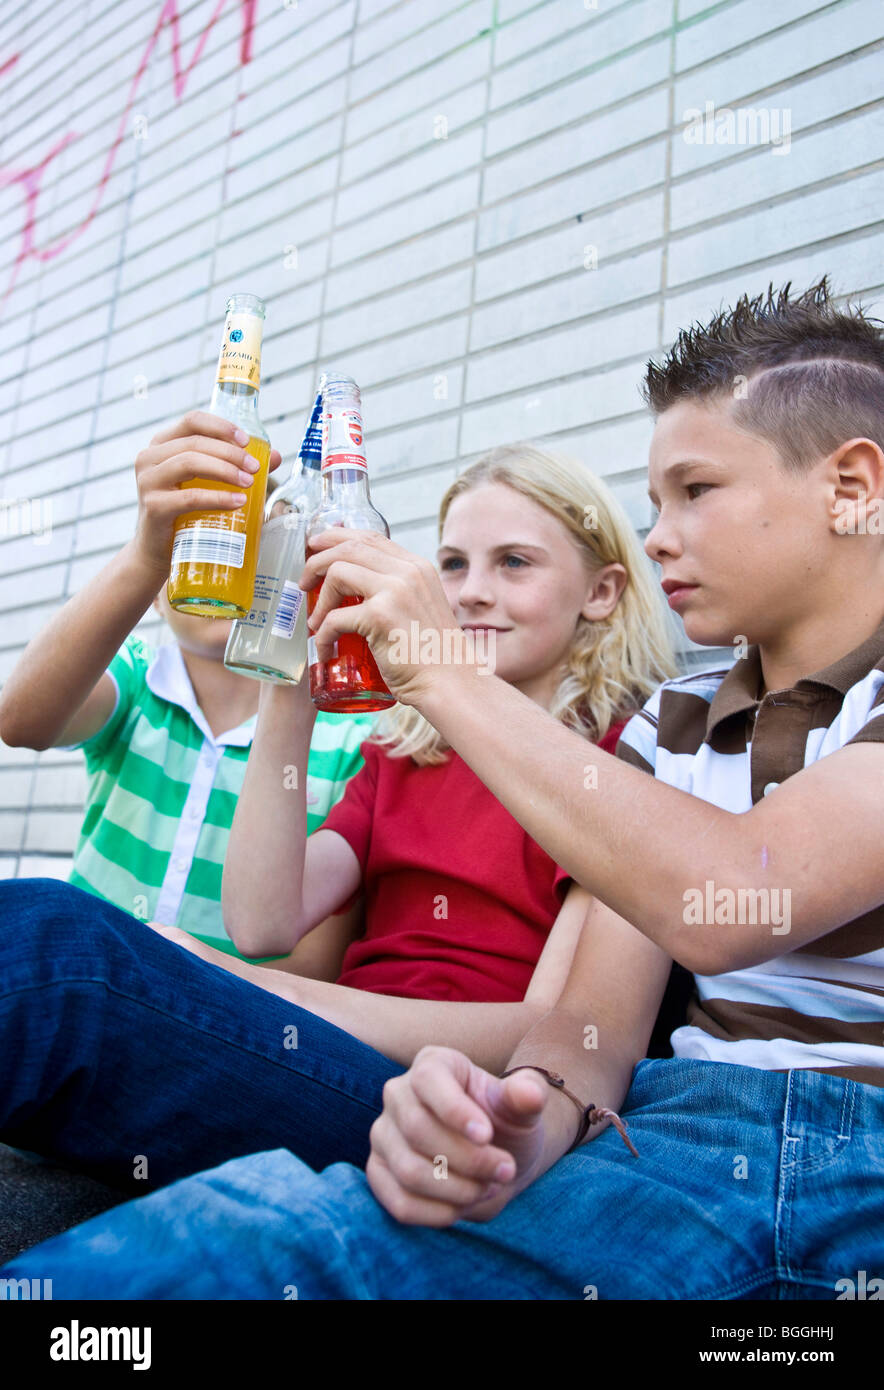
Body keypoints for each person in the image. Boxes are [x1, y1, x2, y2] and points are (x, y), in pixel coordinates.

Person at [4, 277, 880, 1300]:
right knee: (70, 980)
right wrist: (518, 1119)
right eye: (650, 504)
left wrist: (437, 665)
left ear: (851, 487)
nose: (657, 537)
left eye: (694, 492)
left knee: (268, 1250)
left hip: (837, 1139)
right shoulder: (671, 720)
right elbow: (586, 1030)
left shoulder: (594, 743)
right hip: (654, 1113)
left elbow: (725, 901)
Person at [0, 439, 675, 1200]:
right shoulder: (401, 752)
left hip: (441, 1099)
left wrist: (266, 994)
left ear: (603, 591)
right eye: (451, 564)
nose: (473, 592)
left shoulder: (622, 760)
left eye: (514, 563)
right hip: (322, 1057)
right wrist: (286, 683)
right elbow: (262, 924)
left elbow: (565, 1030)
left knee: (53, 943)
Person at [0, 424, 376, 966]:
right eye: (190, 547)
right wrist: (142, 555)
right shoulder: (134, 679)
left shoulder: (346, 736)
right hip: (79, 981)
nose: (220, 566)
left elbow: (309, 966)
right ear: (153, 593)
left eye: (245, 544)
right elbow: (21, 722)